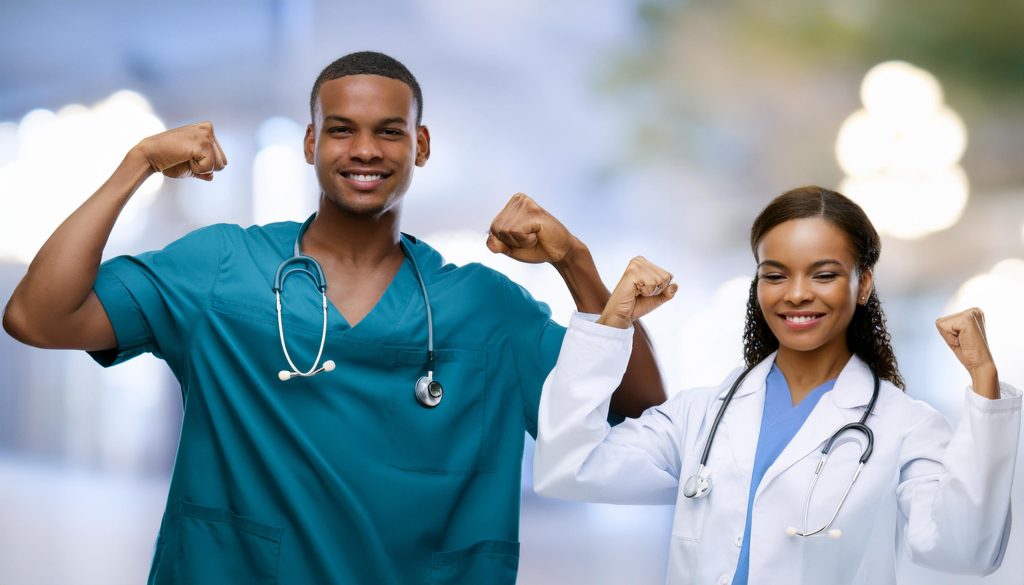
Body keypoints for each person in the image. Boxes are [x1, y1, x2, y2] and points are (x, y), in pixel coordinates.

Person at [1, 51, 666, 584]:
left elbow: (639, 407)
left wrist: (575, 262)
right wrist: (136, 163)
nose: (365, 150)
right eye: (342, 129)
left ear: (421, 145)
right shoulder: (220, 270)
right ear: (311, 142)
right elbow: (38, 315)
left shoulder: (482, 307)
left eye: (389, 131)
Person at [534, 186, 1021, 585]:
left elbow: (966, 551)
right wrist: (610, 326)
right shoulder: (701, 416)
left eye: (824, 274)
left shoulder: (905, 426)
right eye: (775, 275)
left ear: (864, 283)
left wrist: (984, 384)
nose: (796, 294)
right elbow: (568, 467)